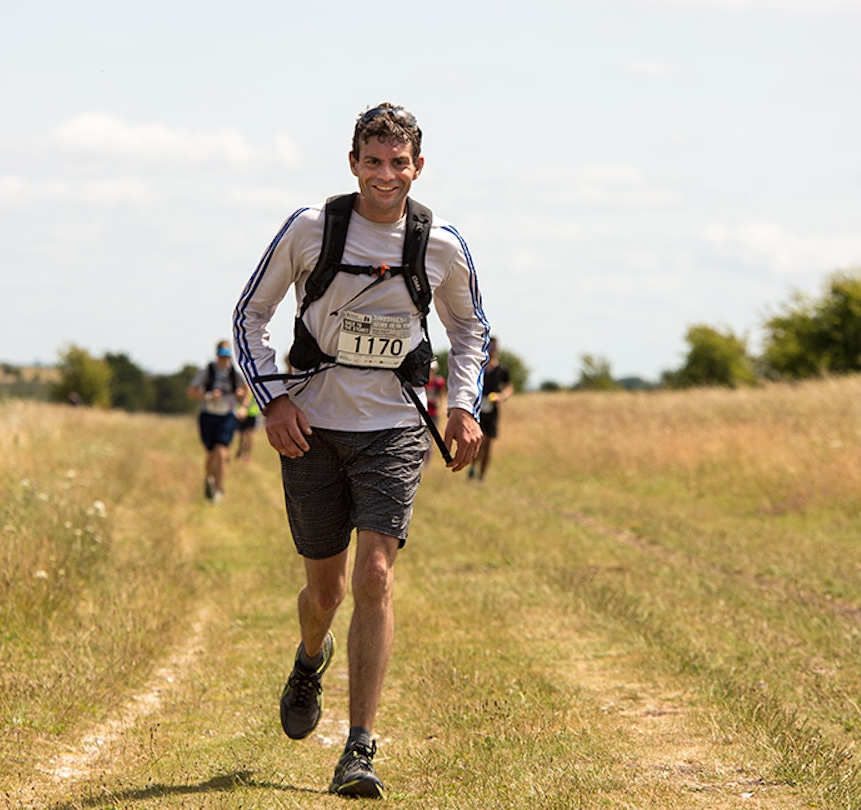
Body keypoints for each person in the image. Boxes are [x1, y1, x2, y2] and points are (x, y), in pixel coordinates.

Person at [233, 102, 489, 798]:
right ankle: (309, 657)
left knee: (375, 577)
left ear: (418, 167)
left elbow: (472, 333)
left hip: (396, 428)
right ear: (353, 163)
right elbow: (248, 317)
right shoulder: (312, 230)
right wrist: (274, 400)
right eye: (373, 161)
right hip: (311, 428)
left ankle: (358, 748)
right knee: (327, 589)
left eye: (398, 162)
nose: (386, 174)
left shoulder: (441, 245)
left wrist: (463, 405)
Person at [187, 340, 248, 503]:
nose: (224, 359)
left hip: (226, 416)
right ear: (217, 355)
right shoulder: (207, 371)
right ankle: (209, 479)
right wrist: (208, 396)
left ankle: (219, 491)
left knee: (221, 452)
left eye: (227, 356)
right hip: (208, 415)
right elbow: (192, 391)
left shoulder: (234, 374)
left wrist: (243, 407)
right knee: (211, 454)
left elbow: (246, 389)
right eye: (222, 355)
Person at [469, 339, 513, 482]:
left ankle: (481, 476)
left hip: (492, 410)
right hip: (478, 409)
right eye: (490, 346)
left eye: (494, 347)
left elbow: (509, 387)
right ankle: (473, 466)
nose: (492, 349)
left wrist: (502, 396)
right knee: (478, 442)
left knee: (488, 444)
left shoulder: (502, 370)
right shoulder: (479, 368)